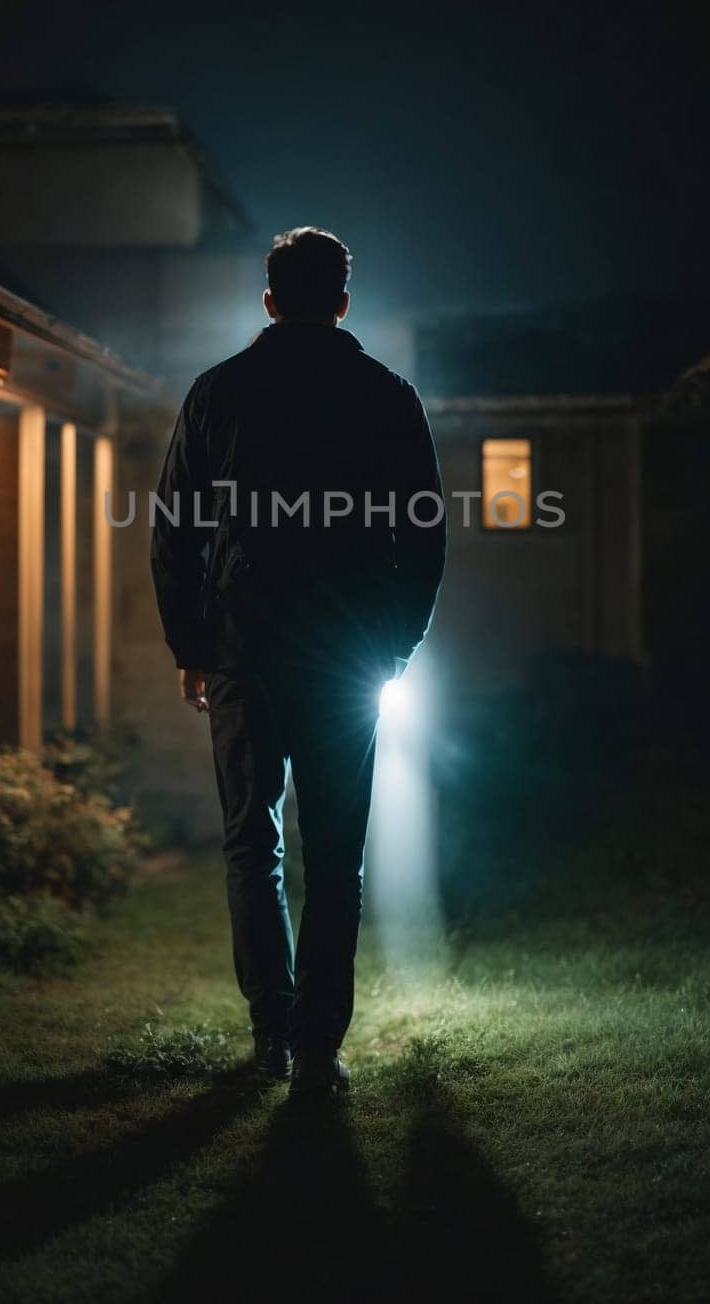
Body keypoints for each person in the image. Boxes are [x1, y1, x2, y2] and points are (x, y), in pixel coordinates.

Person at [151, 226, 445, 1097]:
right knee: (335, 852)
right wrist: (394, 643)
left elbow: (174, 531)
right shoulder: (385, 395)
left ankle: (270, 1033)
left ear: (270, 301)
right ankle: (318, 1043)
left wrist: (191, 645)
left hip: (245, 654)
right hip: (346, 662)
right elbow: (422, 538)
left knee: (253, 844)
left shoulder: (218, 393)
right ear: (342, 302)